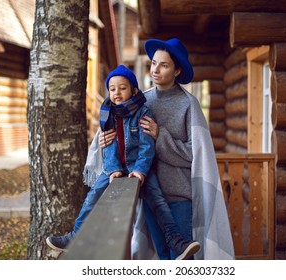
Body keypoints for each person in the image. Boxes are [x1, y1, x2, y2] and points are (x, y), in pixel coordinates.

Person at [98, 39, 235, 260]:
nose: (155, 70)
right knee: (161, 255)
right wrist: (105, 141)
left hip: (178, 195)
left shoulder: (188, 105)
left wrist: (160, 136)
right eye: (153, 63)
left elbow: (196, 155)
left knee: (180, 259)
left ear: (177, 70)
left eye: (164, 65)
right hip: (150, 193)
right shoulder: (140, 101)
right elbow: (119, 134)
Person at [46, 64, 200, 260]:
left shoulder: (143, 112)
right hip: (116, 167)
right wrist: (112, 170)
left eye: (122, 88)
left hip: (139, 168)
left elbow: (147, 147)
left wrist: (141, 170)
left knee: (157, 200)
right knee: (92, 196)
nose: (116, 93)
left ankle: (176, 241)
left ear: (134, 90)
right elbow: (108, 145)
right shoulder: (107, 113)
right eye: (112, 89)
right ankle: (75, 235)